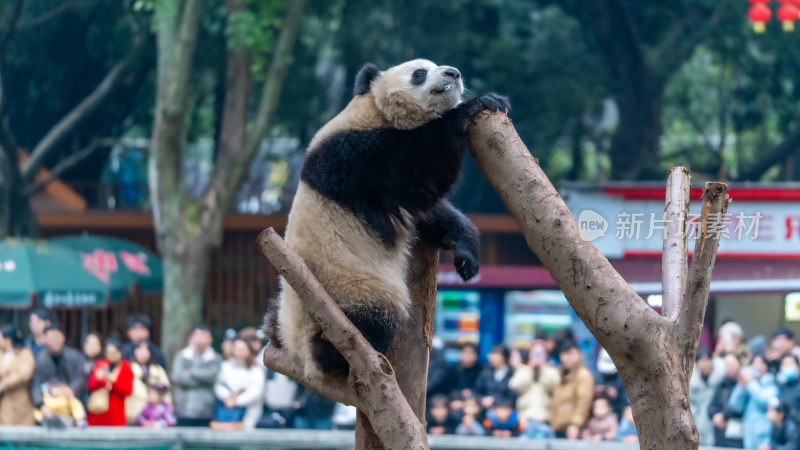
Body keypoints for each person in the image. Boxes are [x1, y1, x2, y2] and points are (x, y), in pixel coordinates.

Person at [30, 326, 86, 417]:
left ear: (63, 338)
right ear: (45, 339)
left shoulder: (74, 357)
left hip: (70, 404)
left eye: (57, 337)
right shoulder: (40, 359)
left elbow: (80, 378)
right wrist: (41, 404)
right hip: (49, 405)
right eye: (51, 338)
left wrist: (72, 390)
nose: (54, 341)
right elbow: (36, 384)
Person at [172, 325, 221, 427]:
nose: (202, 339)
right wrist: (203, 379)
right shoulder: (181, 356)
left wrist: (191, 372)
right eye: (199, 336)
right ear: (191, 338)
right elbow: (178, 377)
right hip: (183, 409)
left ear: (210, 339)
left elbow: (212, 377)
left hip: (206, 411)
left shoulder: (215, 358)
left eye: (205, 336)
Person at [213, 337, 265, 429]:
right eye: (237, 349)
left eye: (243, 349)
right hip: (227, 412)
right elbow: (219, 385)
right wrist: (227, 397)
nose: (239, 352)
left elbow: (256, 391)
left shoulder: (256, 370)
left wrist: (237, 401)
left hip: (249, 414)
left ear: (249, 350)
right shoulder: (225, 366)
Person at [729, 354, 779, 449]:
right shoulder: (749, 385)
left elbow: (763, 400)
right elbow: (735, 405)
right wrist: (741, 387)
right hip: (748, 436)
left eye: (760, 363)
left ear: (766, 367)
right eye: (754, 363)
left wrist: (751, 382)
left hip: (766, 439)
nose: (757, 366)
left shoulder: (771, 384)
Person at [509, 339, 559, 429]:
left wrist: (542, 369)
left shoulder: (552, 371)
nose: (537, 356)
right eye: (534, 353)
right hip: (524, 418)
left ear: (546, 355)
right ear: (530, 354)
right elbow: (515, 387)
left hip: (546, 419)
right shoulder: (523, 370)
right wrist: (530, 370)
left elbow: (553, 387)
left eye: (540, 353)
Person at [549, 340, 594, 439]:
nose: (566, 358)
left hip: (573, 431)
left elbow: (584, 403)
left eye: (570, 354)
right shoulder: (559, 374)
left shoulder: (583, 375)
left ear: (579, 354)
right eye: (564, 354)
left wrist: (575, 425)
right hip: (557, 428)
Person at [86, 338, 134, 426]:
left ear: (120, 353)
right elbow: (90, 386)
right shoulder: (101, 364)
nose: (111, 355)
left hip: (116, 414)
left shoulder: (126, 367)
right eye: (109, 352)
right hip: (98, 411)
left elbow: (128, 391)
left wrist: (114, 380)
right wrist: (98, 378)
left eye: (114, 352)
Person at [126, 340, 171, 425]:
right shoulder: (128, 369)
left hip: (155, 417)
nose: (143, 353)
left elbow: (166, 392)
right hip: (133, 413)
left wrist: (167, 410)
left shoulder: (158, 370)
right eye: (140, 350)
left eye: (146, 350)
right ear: (135, 351)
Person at [0, 324, 36, 425]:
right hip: (4, 403)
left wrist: (3, 385)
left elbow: (24, 374)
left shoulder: (25, 354)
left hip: (21, 402)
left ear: (8, 340)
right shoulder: (1, 354)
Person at [708, 353, 745, 448]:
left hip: (737, 433)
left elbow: (739, 407)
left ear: (739, 365)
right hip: (720, 433)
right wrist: (715, 416)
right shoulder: (721, 384)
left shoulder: (742, 384)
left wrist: (723, 416)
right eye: (726, 365)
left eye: (732, 364)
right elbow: (711, 407)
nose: (729, 367)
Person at [690, 348, 725, 446]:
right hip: (698, 422)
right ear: (696, 363)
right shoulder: (692, 382)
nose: (706, 364)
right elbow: (690, 403)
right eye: (702, 360)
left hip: (718, 420)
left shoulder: (721, 379)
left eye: (708, 359)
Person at [473, 344, 515, 409]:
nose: (491, 357)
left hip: (505, 411)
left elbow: (512, 397)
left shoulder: (512, 373)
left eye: (495, 354)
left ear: (505, 357)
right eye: (491, 354)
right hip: (484, 409)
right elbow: (476, 392)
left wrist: (495, 401)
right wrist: (483, 399)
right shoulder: (485, 372)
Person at [594, 347, 629, 418]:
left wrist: (615, 393)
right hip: (601, 413)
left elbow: (625, 401)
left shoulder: (622, 377)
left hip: (619, 412)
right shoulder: (598, 375)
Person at [777, 355, 800, 425]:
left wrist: (791, 411)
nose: (788, 367)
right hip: (782, 433)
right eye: (785, 364)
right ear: (781, 367)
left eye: (791, 364)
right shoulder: (777, 387)